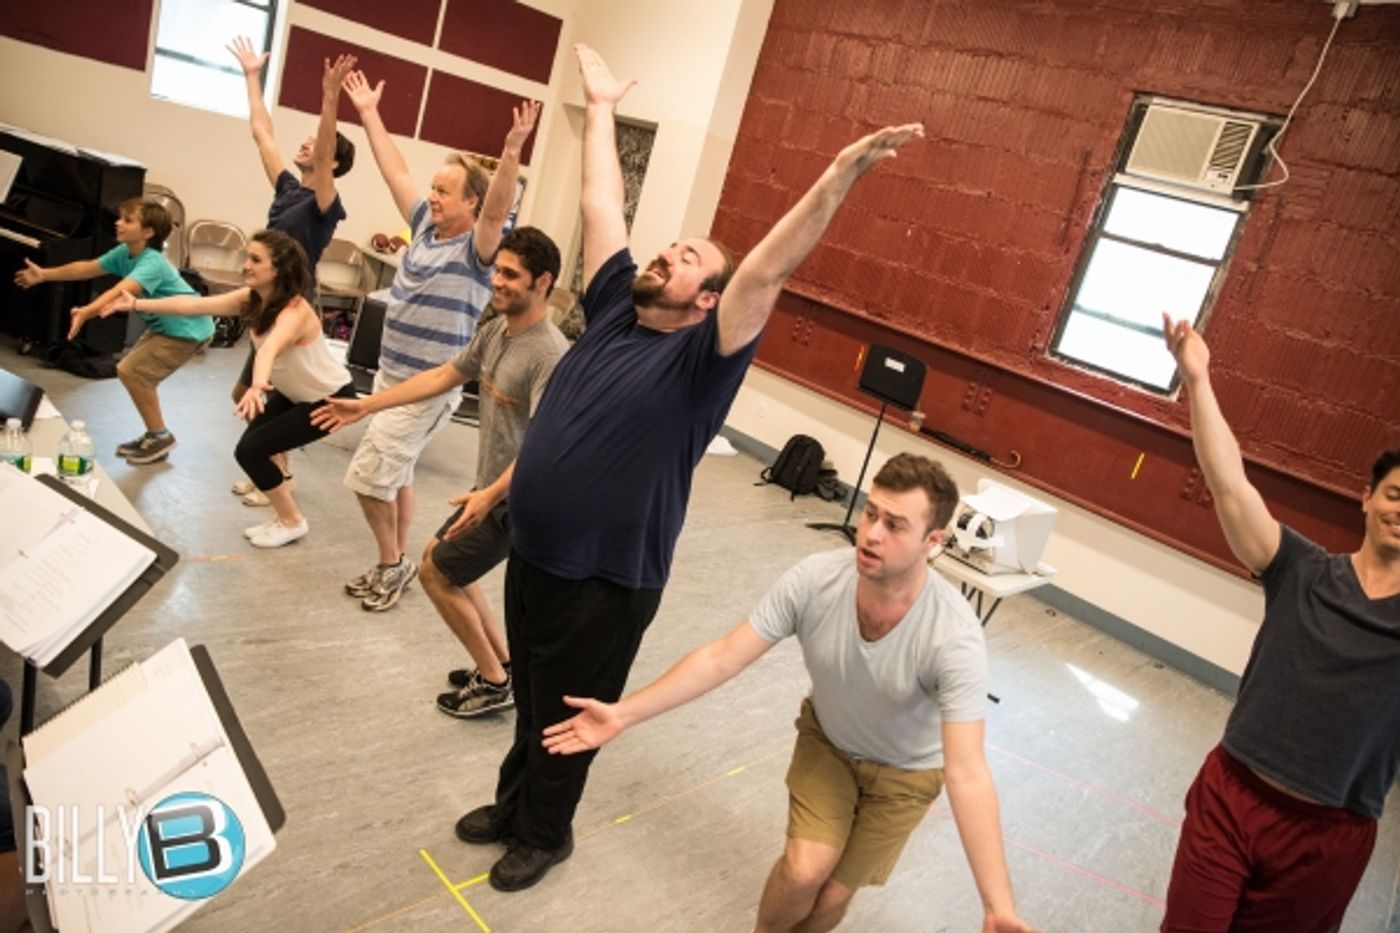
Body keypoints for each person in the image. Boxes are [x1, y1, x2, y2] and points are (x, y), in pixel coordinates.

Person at [451, 42, 925, 894]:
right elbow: (604, 203)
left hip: (607, 576)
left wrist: (840, 176)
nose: (667, 254)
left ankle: (544, 832)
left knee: (569, 711)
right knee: (530, 688)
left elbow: (771, 266)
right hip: (537, 546)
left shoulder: (704, 359)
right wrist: (598, 108)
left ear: (710, 300)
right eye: (669, 246)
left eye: (689, 258)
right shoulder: (611, 311)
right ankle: (513, 803)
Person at [544, 454, 1034, 933]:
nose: (873, 533)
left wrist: (997, 906)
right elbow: (723, 657)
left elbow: (968, 772)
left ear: (933, 541)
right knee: (804, 872)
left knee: (831, 902)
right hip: (831, 746)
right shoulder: (815, 579)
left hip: (906, 778)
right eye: (871, 513)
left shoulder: (954, 637)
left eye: (896, 525)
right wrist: (624, 714)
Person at [1159, 314, 1400, 933]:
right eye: (1396, 493)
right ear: (1367, 499)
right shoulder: (1302, 570)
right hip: (1231, 801)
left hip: (1328, 838)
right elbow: (1231, 488)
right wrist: (1198, 379)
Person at [311, 226, 568, 698]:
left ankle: (493, 683)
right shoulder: (496, 331)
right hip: (488, 490)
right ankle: (504, 667)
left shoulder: (550, 355)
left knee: (436, 573)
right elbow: (444, 374)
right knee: (443, 562)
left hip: (520, 498)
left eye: (512, 275)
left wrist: (490, 496)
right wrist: (366, 404)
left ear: (543, 282)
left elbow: (543, 447)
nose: (498, 282)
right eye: (498, 272)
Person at [337, 66, 538, 611]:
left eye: (446, 191)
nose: (434, 196)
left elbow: (498, 205)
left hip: (429, 384)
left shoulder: (478, 249)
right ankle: (396, 560)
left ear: (472, 203)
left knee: (367, 477)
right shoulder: (425, 221)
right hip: (392, 373)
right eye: (434, 189)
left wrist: (512, 151)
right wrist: (370, 112)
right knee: (395, 475)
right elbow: (394, 168)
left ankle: (391, 565)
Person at [91, 230, 354, 548]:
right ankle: (285, 517)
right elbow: (191, 305)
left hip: (329, 400)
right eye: (247, 257)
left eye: (256, 259)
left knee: (250, 451)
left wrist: (257, 386)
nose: (246, 265)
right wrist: (135, 303)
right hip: (296, 394)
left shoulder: (294, 313)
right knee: (255, 449)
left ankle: (292, 521)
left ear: (279, 269)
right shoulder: (252, 299)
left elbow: (269, 349)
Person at [226, 37, 356, 507]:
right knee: (252, 389)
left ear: (334, 164)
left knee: (262, 389)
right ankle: (276, 469)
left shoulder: (326, 204)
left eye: (316, 144)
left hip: (293, 310)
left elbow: (322, 153)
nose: (306, 144)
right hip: (267, 300)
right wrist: (251, 77)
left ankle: (276, 476)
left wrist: (329, 96)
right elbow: (262, 133)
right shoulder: (287, 189)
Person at [15, 200, 213, 464]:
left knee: (132, 372)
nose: (118, 223)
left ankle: (159, 436)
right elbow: (87, 268)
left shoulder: (152, 262)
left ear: (148, 232)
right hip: (165, 326)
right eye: (120, 218)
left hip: (186, 329)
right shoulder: (126, 252)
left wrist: (86, 311)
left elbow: (119, 292)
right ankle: (157, 434)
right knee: (133, 373)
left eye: (128, 220)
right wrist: (45, 274)